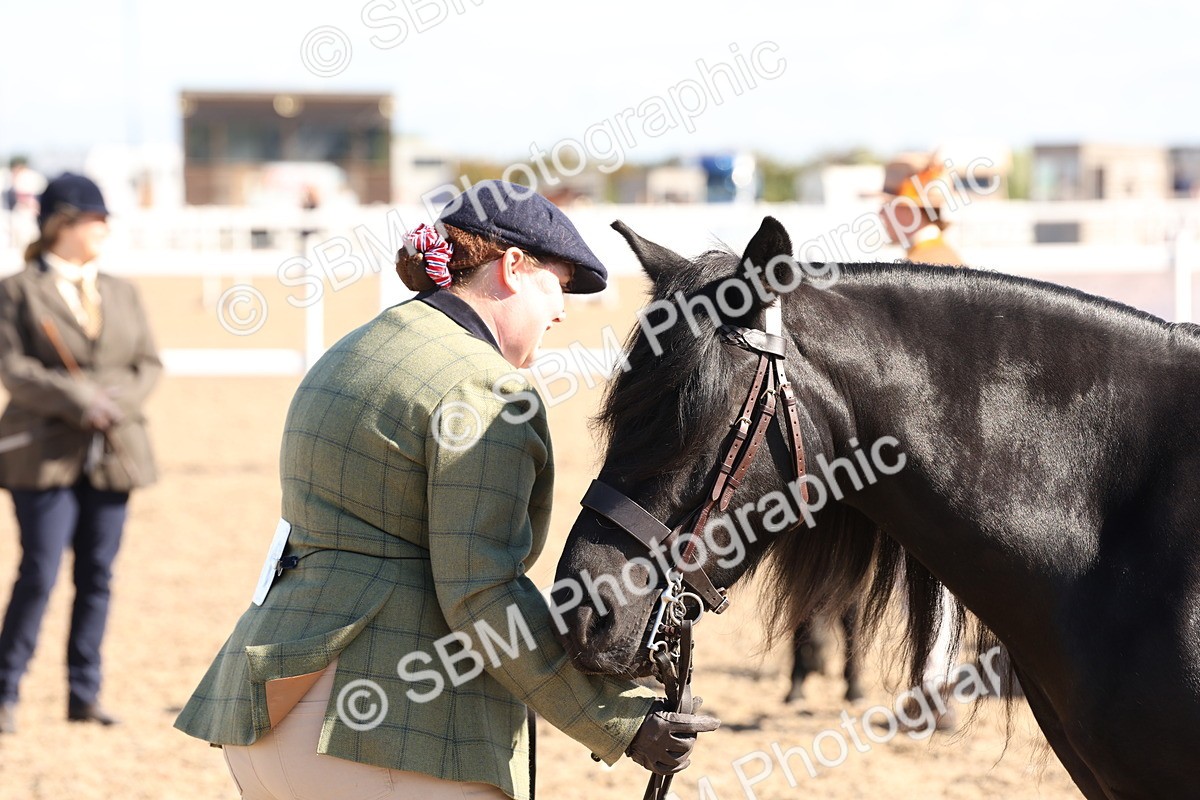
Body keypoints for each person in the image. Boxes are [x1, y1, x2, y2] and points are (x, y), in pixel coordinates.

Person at [174, 180, 719, 800]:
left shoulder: (358, 347)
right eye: (557, 286)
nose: (563, 312)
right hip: (387, 735)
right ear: (512, 268)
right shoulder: (487, 389)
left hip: (271, 708)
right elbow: (480, 592)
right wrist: (619, 721)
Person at [0, 173, 161, 735]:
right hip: (41, 452)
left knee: (98, 575)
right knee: (40, 572)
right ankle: (6, 689)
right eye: (96, 217)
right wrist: (78, 399)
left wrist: (117, 405)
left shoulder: (122, 291)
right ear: (62, 224)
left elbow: (148, 364)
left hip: (114, 449)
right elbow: (14, 369)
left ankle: (83, 692)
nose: (105, 227)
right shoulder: (18, 289)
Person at [879, 154, 964, 267]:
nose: (881, 212)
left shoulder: (916, 269)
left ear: (907, 207)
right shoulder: (947, 256)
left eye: (886, 204)